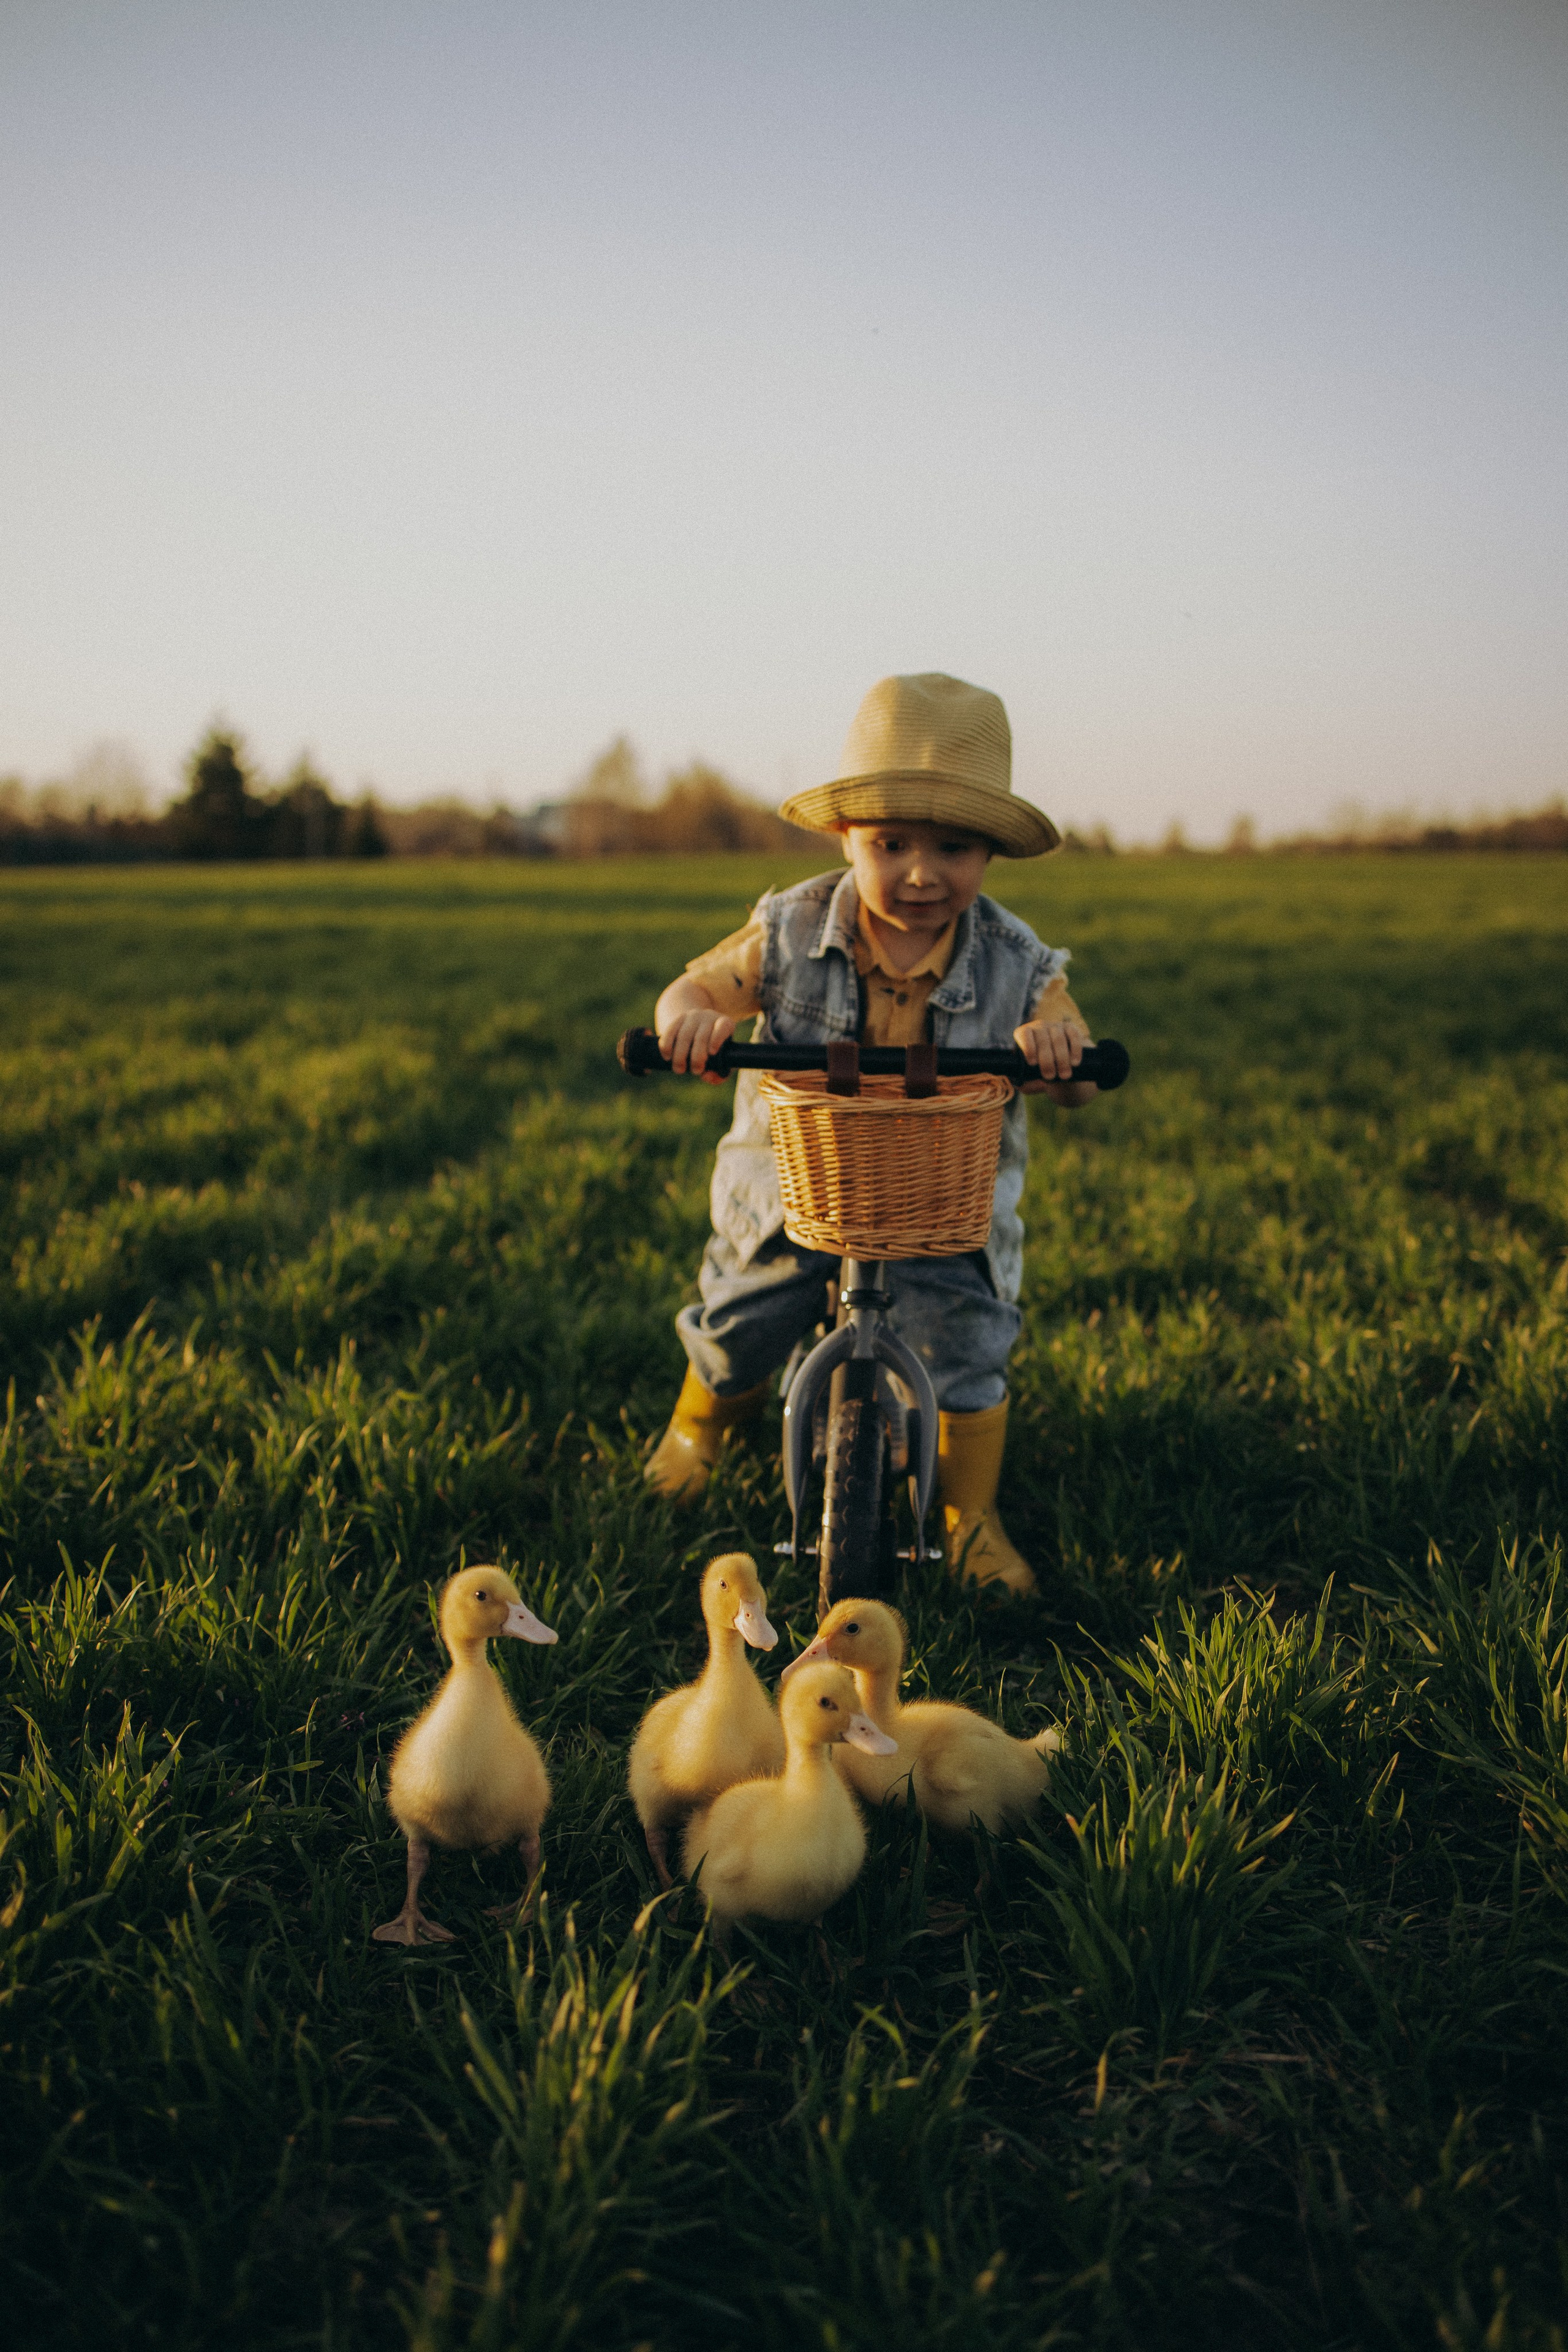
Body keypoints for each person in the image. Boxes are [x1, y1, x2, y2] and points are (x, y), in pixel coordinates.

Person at [644, 671, 1100, 1595]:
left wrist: (1062, 1052)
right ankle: (700, 1426)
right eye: (891, 844)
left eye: (955, 847)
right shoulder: (789, 928)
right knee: (746, 1309)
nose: (924, 873)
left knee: (966, 1340)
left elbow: (1079, 1061)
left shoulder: (1014, 960)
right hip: (794, 1183)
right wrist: (689, 1016)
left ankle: (971, 1516)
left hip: (942, 1198)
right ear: (844, 837)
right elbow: (697, 989)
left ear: (989, 855)